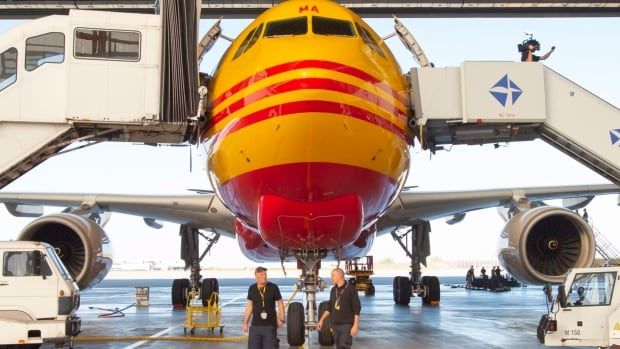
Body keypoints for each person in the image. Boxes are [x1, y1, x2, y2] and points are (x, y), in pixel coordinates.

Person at [317, 268, 361, 349]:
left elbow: (357, 309)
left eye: (333, 275)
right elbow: (329, 307)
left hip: (346, 325)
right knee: (338, 346)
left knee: (344, 346)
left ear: (339, 276)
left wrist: (355, 325)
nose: (331, 278)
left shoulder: (351, 289)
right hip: (335, 325)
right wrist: (321, 320)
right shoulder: (334, 290)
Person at [243, 266, 285, 349]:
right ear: (256, 276)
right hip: (255, 326)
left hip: (270, 326)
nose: (264, 277)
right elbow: (249, 306)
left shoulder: (273, 287)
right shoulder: (252, 288)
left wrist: (282, 319)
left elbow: (280, 303)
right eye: (262, 275)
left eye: (265, 274)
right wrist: (245, 322)